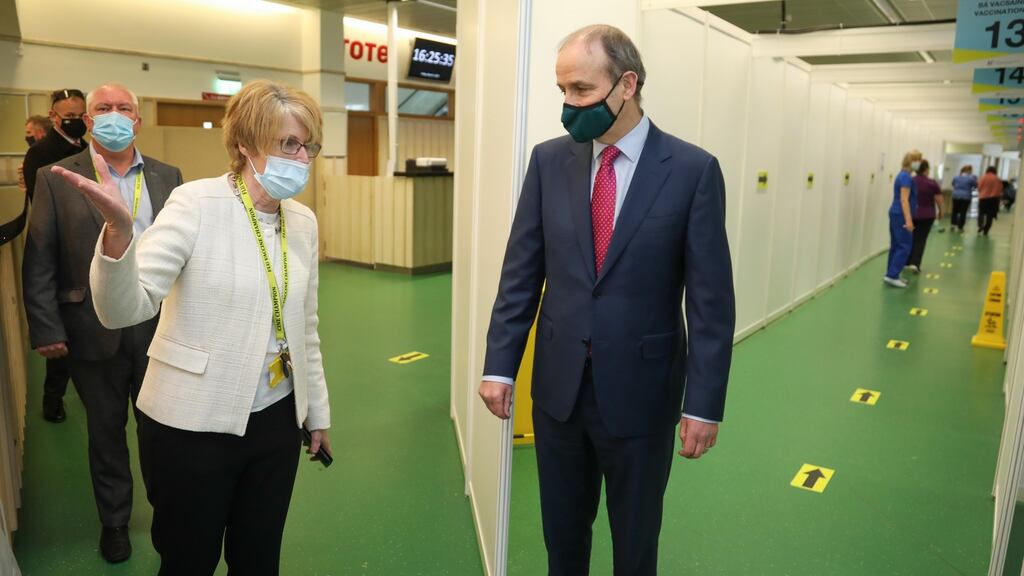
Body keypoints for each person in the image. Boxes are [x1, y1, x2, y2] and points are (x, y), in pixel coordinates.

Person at [479, 25, 735, 575]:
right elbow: (521, 272)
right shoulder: (549, 162)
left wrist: (703, 403)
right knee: (562, 540)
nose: (569, 105)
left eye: (582, 89)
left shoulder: (692, 171)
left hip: (643, 396)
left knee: (635, 545)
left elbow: (711, 304)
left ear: (627, 84)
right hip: (559, 393)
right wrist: (500, 365)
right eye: (562, 90)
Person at [54, 79, 332, 575]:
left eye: (307, 146)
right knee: (189, 560)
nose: (301, 158)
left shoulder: (303, 222)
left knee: (259, 557)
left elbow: (305, 326)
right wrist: (118, 235)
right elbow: (125, 308)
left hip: (275, 419)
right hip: (191, 424)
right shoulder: (195, 203)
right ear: (244, 143)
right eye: (287, 143)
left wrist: (315, 413)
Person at [22, 83, 183, 563]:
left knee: (163, 429)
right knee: (106, 430)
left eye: (124, 108)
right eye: (104, 108)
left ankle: (170, 512)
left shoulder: (168, 176)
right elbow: (40, 256)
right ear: (89, 121)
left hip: (159, 324)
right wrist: (46, 327)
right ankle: (114, 521)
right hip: (92, 325)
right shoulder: (57, 177)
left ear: (138, 120)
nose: (115, 115)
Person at [21, 89, 89, 423]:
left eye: (80, 115)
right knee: (62, 335)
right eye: (69, 116)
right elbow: (42, 210)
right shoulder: (40, 154)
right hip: (62, 252)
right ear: (53, 116)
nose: (76, 121)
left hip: (91, 250)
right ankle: (53, 400)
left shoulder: (88, 149)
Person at [884, 149, 920, 288]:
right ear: (911, 162)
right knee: (904, 245)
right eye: (917, 160)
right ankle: (892, 275)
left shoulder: (902, 175)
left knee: (896, 245)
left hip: (896, 213)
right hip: (901, 214)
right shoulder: (906, 178)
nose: (919, 163)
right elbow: (904, 200)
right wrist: (909, 220)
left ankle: (891, 273)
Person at [906, 159, 943, 273]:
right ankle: (915, 263)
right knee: (920, 240)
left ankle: (906, 261)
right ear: (926, 169)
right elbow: (939, 199)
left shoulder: (910, 181)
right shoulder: (932, 183)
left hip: (912, 214)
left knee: (909, 238)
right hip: (927, 215)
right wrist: (941, 211)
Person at [950, 165, 977, 234]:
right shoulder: (971, 178)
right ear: (969, 171)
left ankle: (953, 224)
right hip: (966, 197)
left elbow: (953, 184)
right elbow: (975, 185)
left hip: (955, 196)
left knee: (955, 211)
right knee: (963, 212)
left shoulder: (956, 177)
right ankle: (960, 226)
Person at [978, 166, 1003, 236]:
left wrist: (982, 192)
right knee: (990, 215)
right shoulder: (997, 179)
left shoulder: (983, 177)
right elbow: (1000, 189)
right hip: (994, 199)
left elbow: (979, 187)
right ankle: (986, 229)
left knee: (981, 212)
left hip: (983, 198)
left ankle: (980, 225)